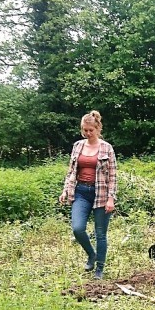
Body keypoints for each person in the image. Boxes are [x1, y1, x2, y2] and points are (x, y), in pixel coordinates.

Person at [60, 111, 117, 279]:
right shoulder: (78, 146)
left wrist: (111, 198)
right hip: (81, 192)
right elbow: (71, 171)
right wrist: (65, 190)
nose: (87, 133)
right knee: (78, 228)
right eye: (85, 130)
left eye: (91, 130)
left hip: (101, 194)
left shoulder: (107, 148)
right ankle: (91, 255)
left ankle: (100, 268)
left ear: (98, 128)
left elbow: (113, 175)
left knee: (100, 233)